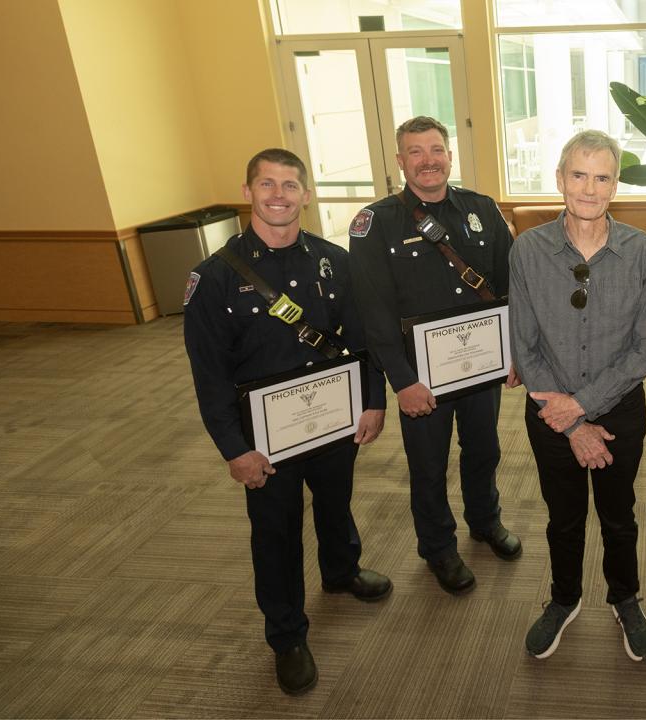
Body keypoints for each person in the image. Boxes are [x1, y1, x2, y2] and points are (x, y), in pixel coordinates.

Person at [184, 148, 393, 695]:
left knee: (335, 500)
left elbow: (360, 341)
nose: (279, 195)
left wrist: (373, 400)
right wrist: (235, 450)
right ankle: (287, 635)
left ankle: (341, 571)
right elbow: (209, 378)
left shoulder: (333, 261)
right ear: (249, 191)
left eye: (290, 185)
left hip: (332, 416)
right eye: (267, 184)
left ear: (306, 194)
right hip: (264, 436)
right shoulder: (213, 281)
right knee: (275, 534)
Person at [349, 116, 520, 596]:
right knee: (429, 465)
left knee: (485, 449)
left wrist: (514, 353)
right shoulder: (375, 224)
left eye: (436, 149)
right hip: (421, 376)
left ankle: (485, 520)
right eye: (416, 152)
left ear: (449, 155)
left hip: (482, 364)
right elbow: (374, 312)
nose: (428, 160)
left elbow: (510, 289)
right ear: (400, 161)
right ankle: (438, 548)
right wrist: (401, 381)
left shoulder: (481, 209)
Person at [509, 130, 646, 661]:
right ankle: (563, 598)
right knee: (563, 518)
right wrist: (572, 423)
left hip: (620, 411)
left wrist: (584, 406)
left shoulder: (642, 251)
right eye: (579, 174)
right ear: (560, 179)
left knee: (620, 516)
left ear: (615, 185)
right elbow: (524, 346)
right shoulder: (527, 249)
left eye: (601, 177)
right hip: (550, 413)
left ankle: (625, 598)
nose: (589, 188)